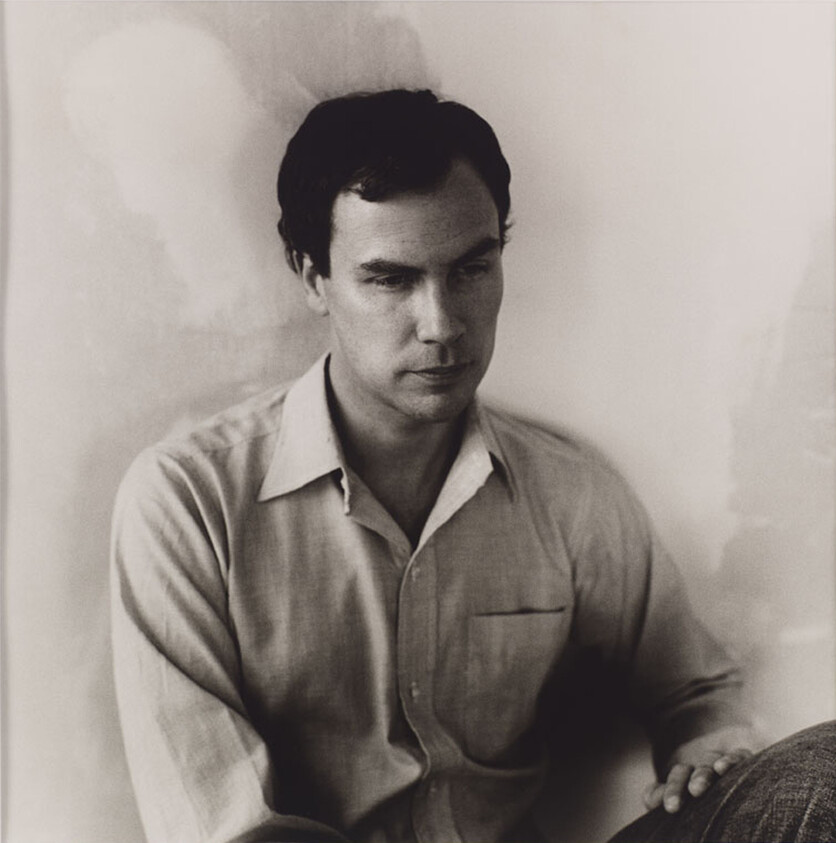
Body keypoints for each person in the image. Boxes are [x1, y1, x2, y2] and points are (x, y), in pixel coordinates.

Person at [111, 89, 835, 843]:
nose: (443, 324)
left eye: (471, 269)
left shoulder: (568, 489)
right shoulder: (186, 501)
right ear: (310, 274)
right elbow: (228, 829)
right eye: (390, 279)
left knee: (825, 766)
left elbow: (694, 689)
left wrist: (708, 746)